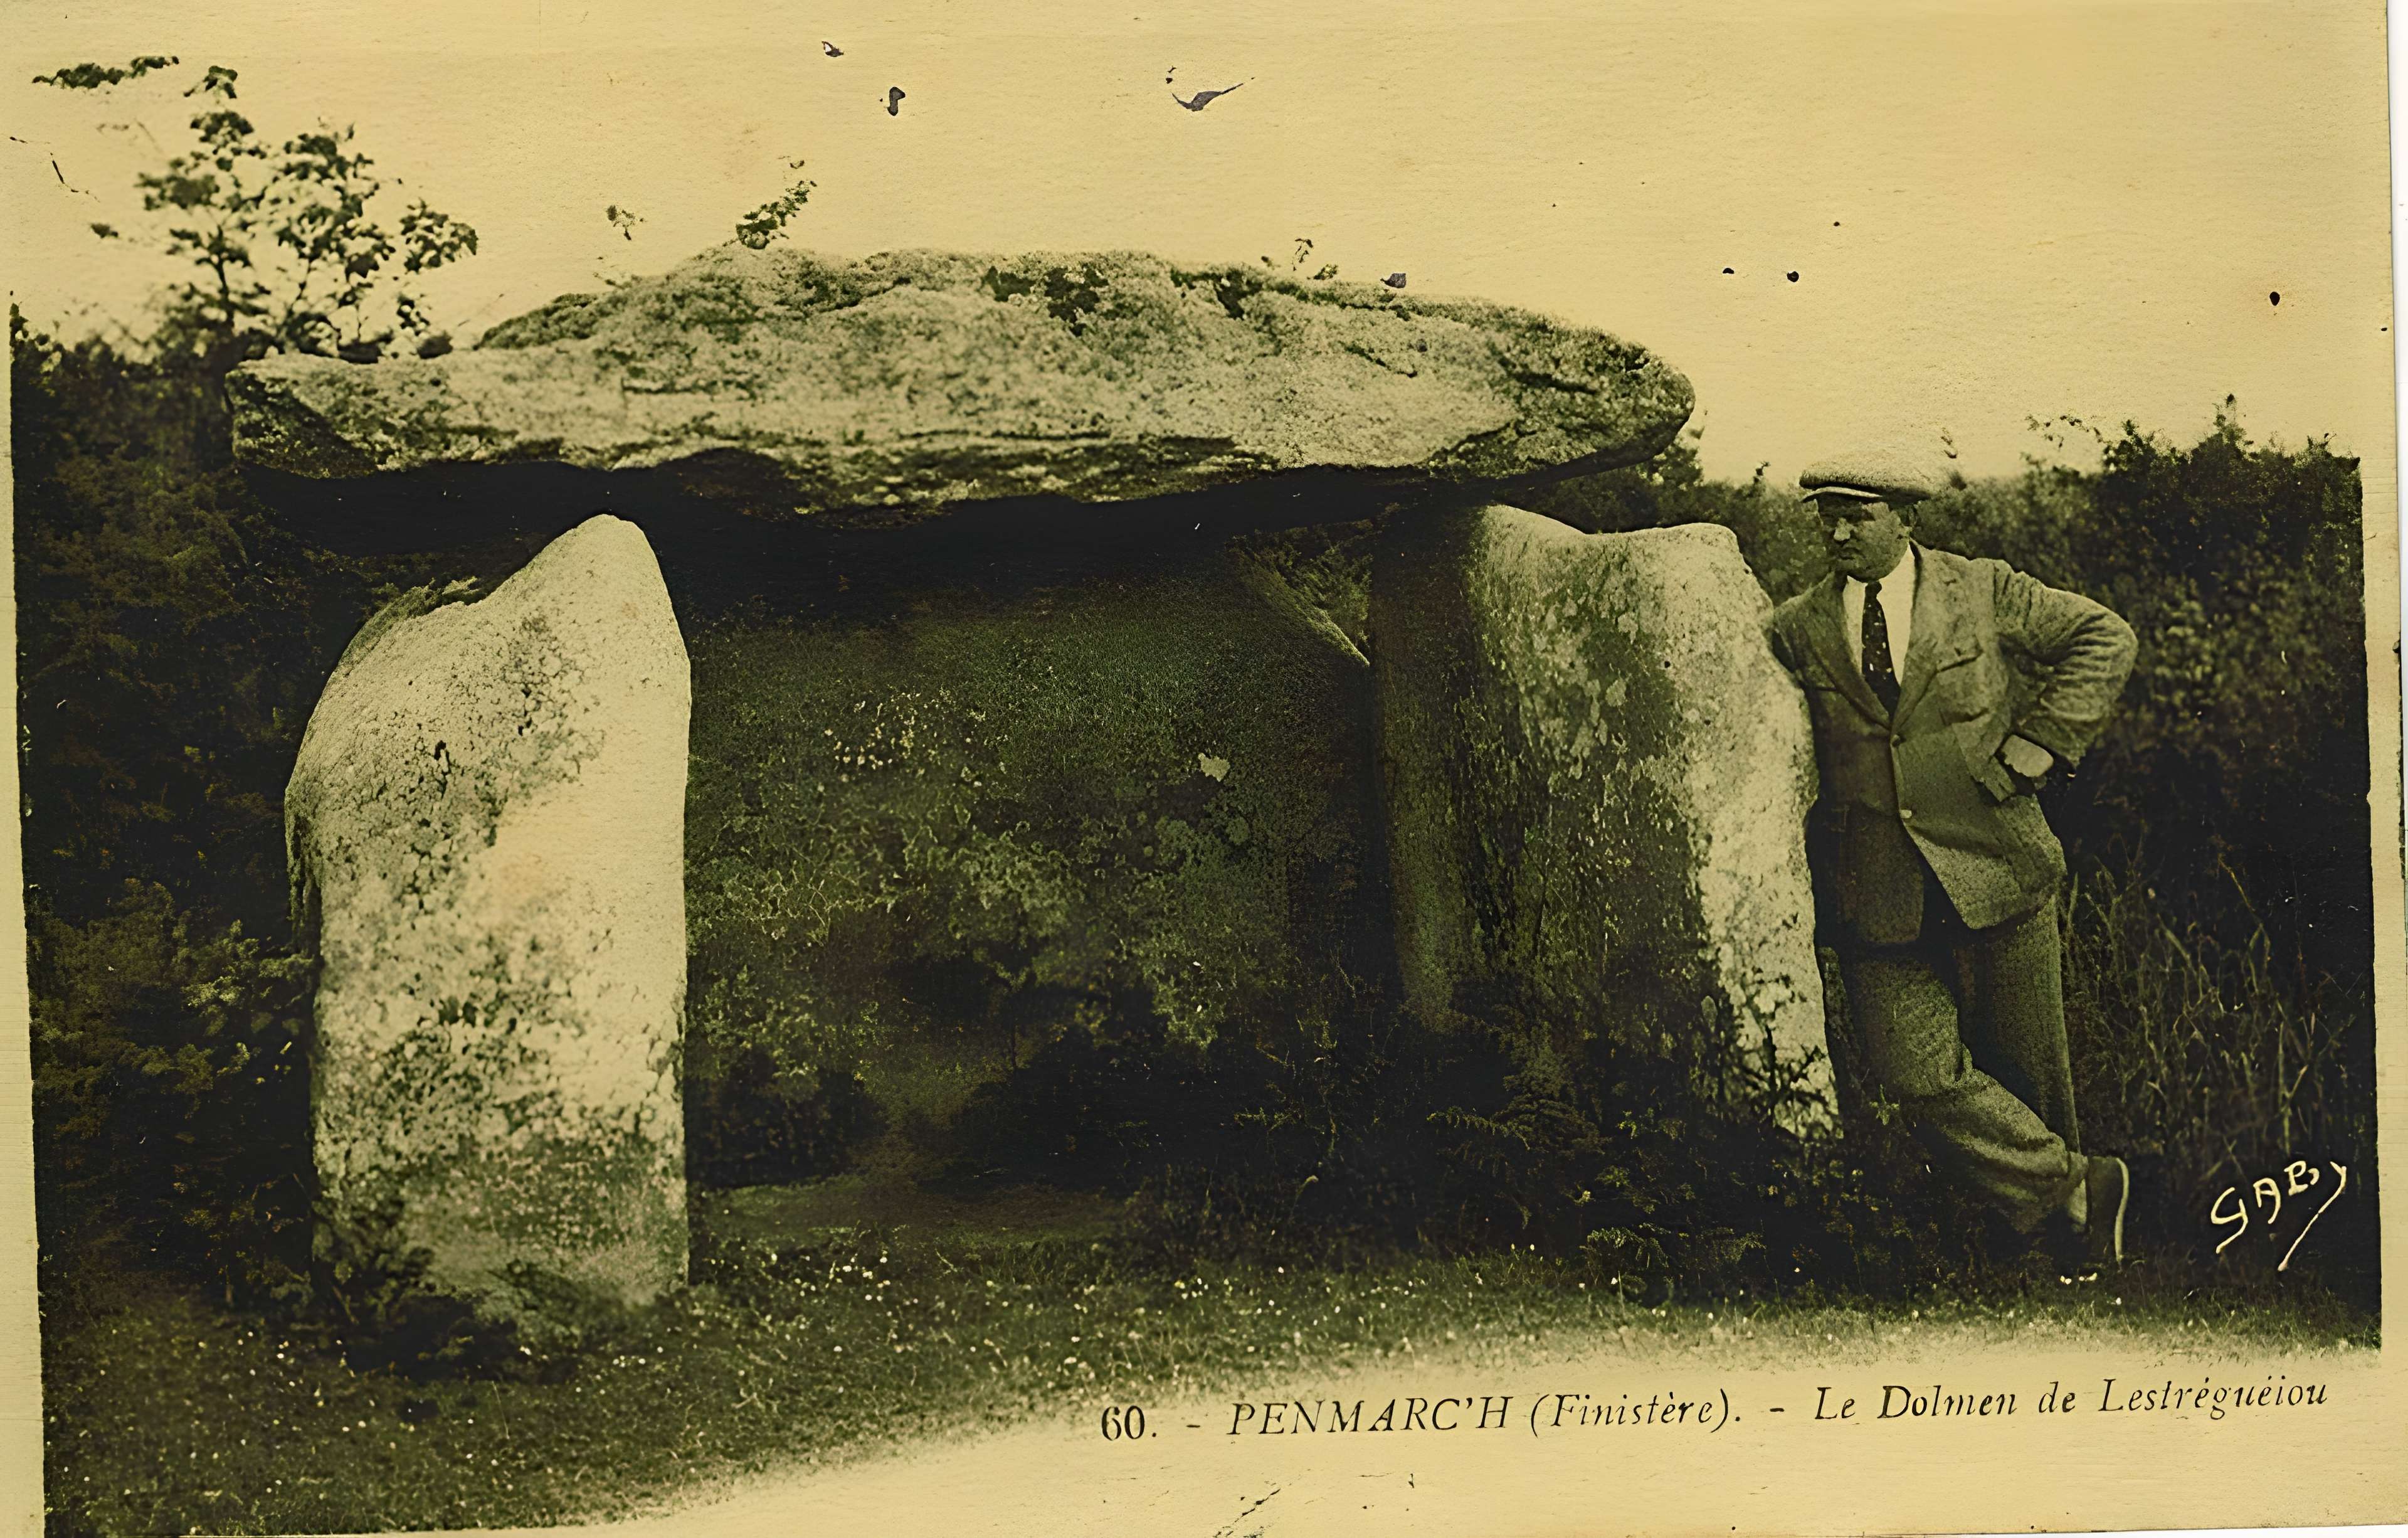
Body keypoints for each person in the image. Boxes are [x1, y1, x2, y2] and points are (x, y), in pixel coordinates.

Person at [1763, 447, 2138, 1272]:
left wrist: (2040, 744)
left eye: (1857, 513)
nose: (1838, 529)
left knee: (2028, 1076)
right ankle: (2077, 1187)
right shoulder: (1795, 627)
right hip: (1875, 891)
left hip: (1999, 866)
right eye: (1827, 513)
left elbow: (2102, 638)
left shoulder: (1982, 588)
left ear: (1905, 517)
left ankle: (2061, 1252)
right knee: (1912, 1070)